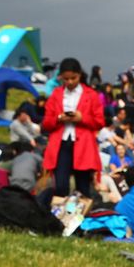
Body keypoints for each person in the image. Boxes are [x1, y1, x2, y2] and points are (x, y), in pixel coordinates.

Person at [43, 58, 105, 202]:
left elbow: (100, 122)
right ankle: (60, 219)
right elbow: (46, 123)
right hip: (61, 143)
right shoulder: (56, 94)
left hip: (83, 145)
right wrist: (58, 118)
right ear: (61, 78)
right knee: (61, 186)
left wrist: (82, 118)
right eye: (66, 79)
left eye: (73, 78)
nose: (70, 82)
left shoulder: (91, 95)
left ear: (79, 75)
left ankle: (81, 221)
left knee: (83, 187)